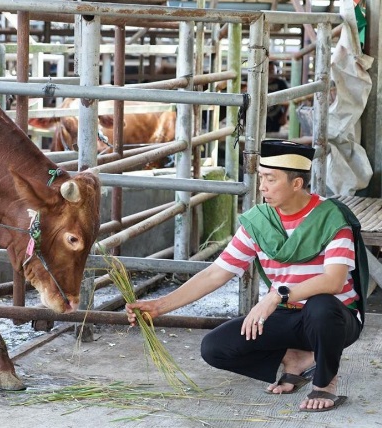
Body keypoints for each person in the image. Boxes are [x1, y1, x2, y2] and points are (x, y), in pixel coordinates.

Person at [126, 139, 368, 413]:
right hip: (287, 314)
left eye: (271, 179)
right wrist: (159, 307)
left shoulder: (331, 218)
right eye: (261, 177)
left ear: (296, 184)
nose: (262, 186)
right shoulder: (259, 221)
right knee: (215, 348)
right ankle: (297, 358)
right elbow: (216, 273)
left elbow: (333, 281)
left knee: (321, 305)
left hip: (334, 319)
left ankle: (325, 385)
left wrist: (277, 295)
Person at [266, 62, 290, 134]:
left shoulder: (281, 83)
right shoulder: (259, 82)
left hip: (276, 116)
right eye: (269, 70)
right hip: (261, 115)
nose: (270, 72)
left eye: (272, 70)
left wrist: (284, 115)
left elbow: (287, 100)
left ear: (276, 72)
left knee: (273, 136)